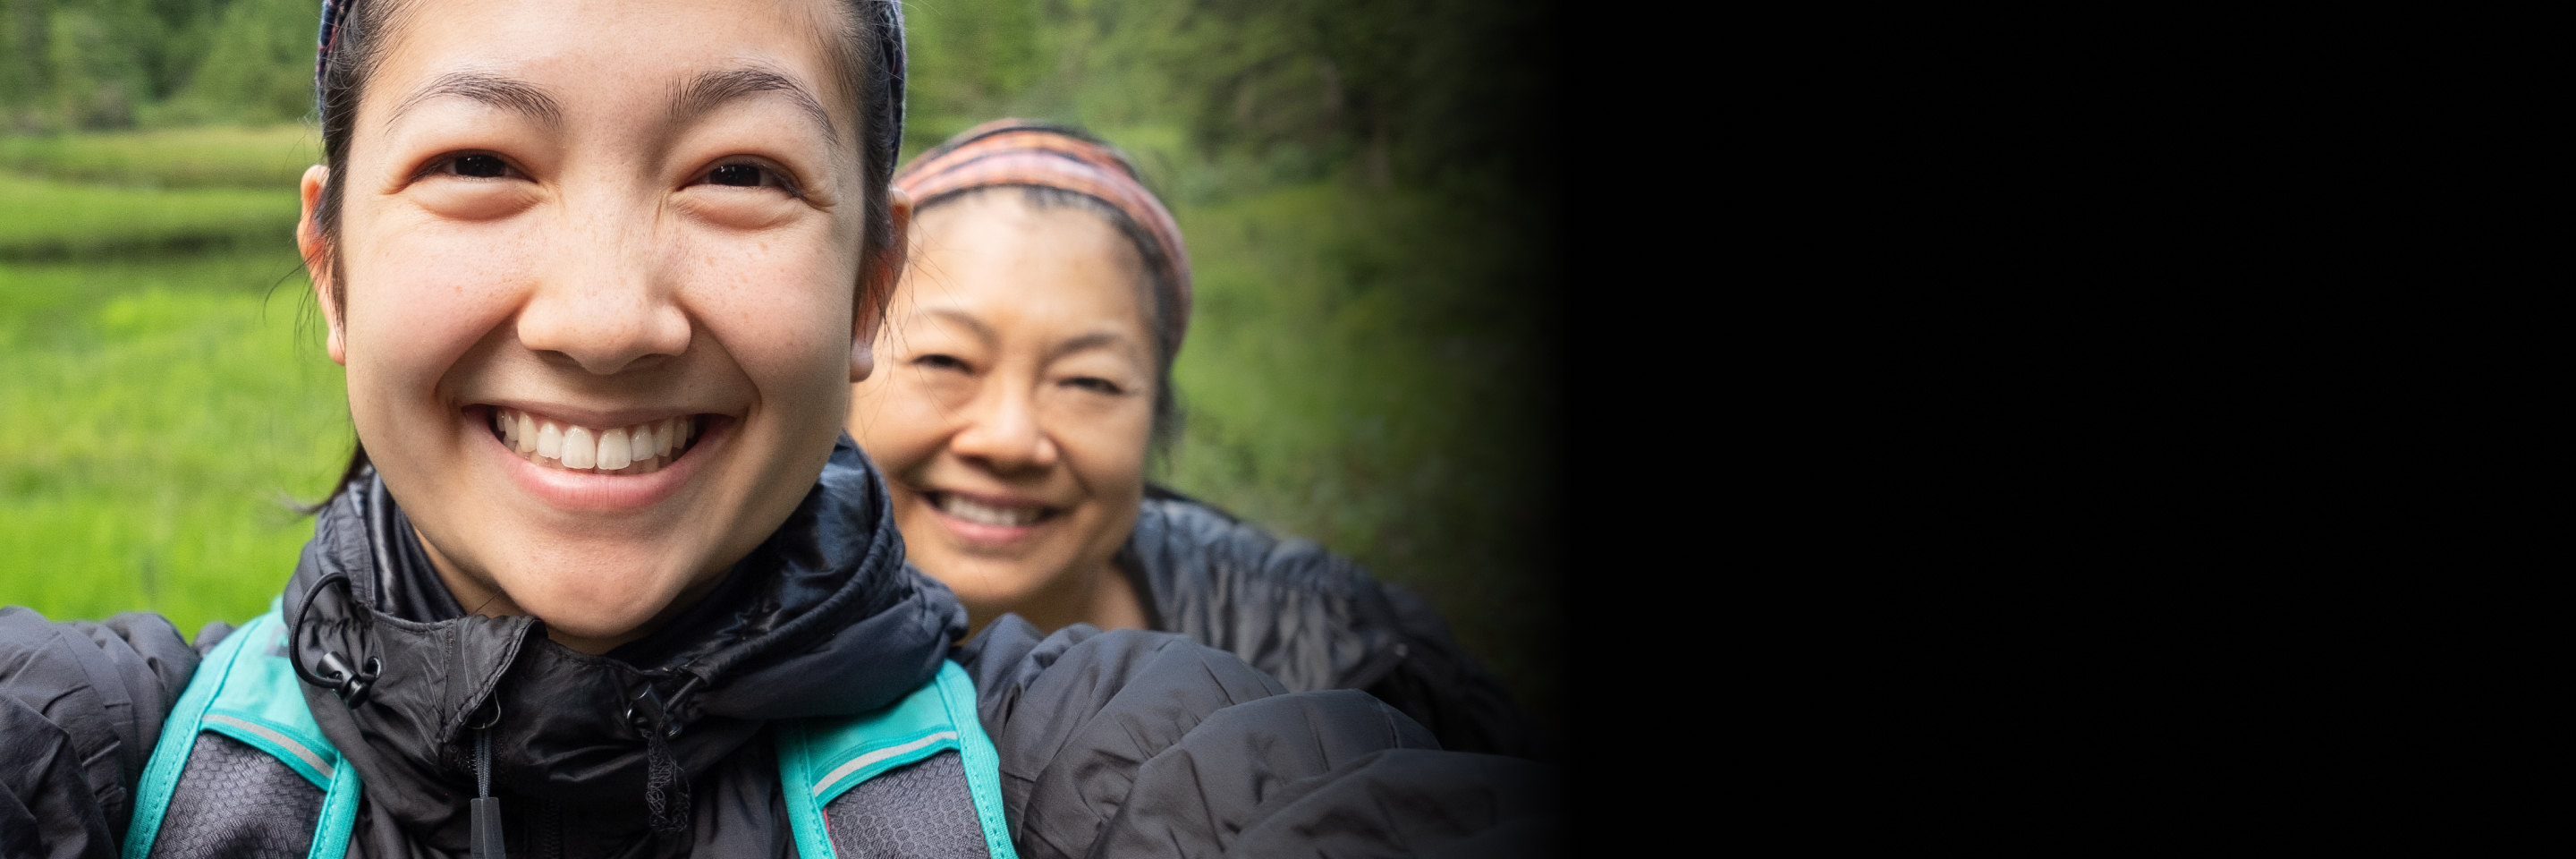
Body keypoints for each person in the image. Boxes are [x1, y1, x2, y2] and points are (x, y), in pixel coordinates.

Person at [0, 2, 1558, 857]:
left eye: (740, 173)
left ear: (868, 278)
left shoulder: (1092, 774)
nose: (608, 316)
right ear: (331, 258)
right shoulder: (110, 762)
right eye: (482, 158)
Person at [846, 121, 1541, 759]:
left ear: (1157, 416)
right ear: (843, 368)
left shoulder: (1348, 645)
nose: (1009, 439)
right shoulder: (743, 661)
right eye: (945, 362)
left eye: (1088, 382)